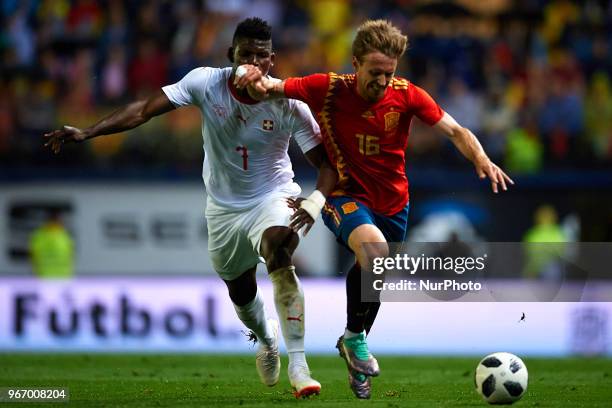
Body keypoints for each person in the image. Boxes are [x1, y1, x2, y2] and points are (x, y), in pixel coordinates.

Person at [43, 17, 337, 398]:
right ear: (231, 55)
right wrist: (88, 132)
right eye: (245, 53)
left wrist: (315, 201)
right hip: (224, 209)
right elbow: (143, 110)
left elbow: (327, 165)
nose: (252, 62)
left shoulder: (290, 103)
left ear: (271, 61)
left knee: (279, 246)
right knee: (240, 290)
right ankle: (266, 337)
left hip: (272, 196)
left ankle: (300, 365)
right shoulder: (205, 82)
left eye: (261, 56)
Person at [236, 19, 514, 399]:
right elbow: (271, 88)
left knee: (375, 276)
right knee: (373, 250)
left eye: (389, 73)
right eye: (375, 72)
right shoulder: (327, 88)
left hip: (395, 203)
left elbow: (455, 131)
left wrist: (480, 158)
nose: (382, 81)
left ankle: (353, 340)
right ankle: (354, 341)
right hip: (345, 195)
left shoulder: (408, 95)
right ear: (356, 63)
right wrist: (252, 74)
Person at [29, 209, 75, 279]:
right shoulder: (65, 236)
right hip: (51, 277)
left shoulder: (39, 236)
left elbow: (33, 256)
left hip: (55, 277)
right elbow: (70, 256)